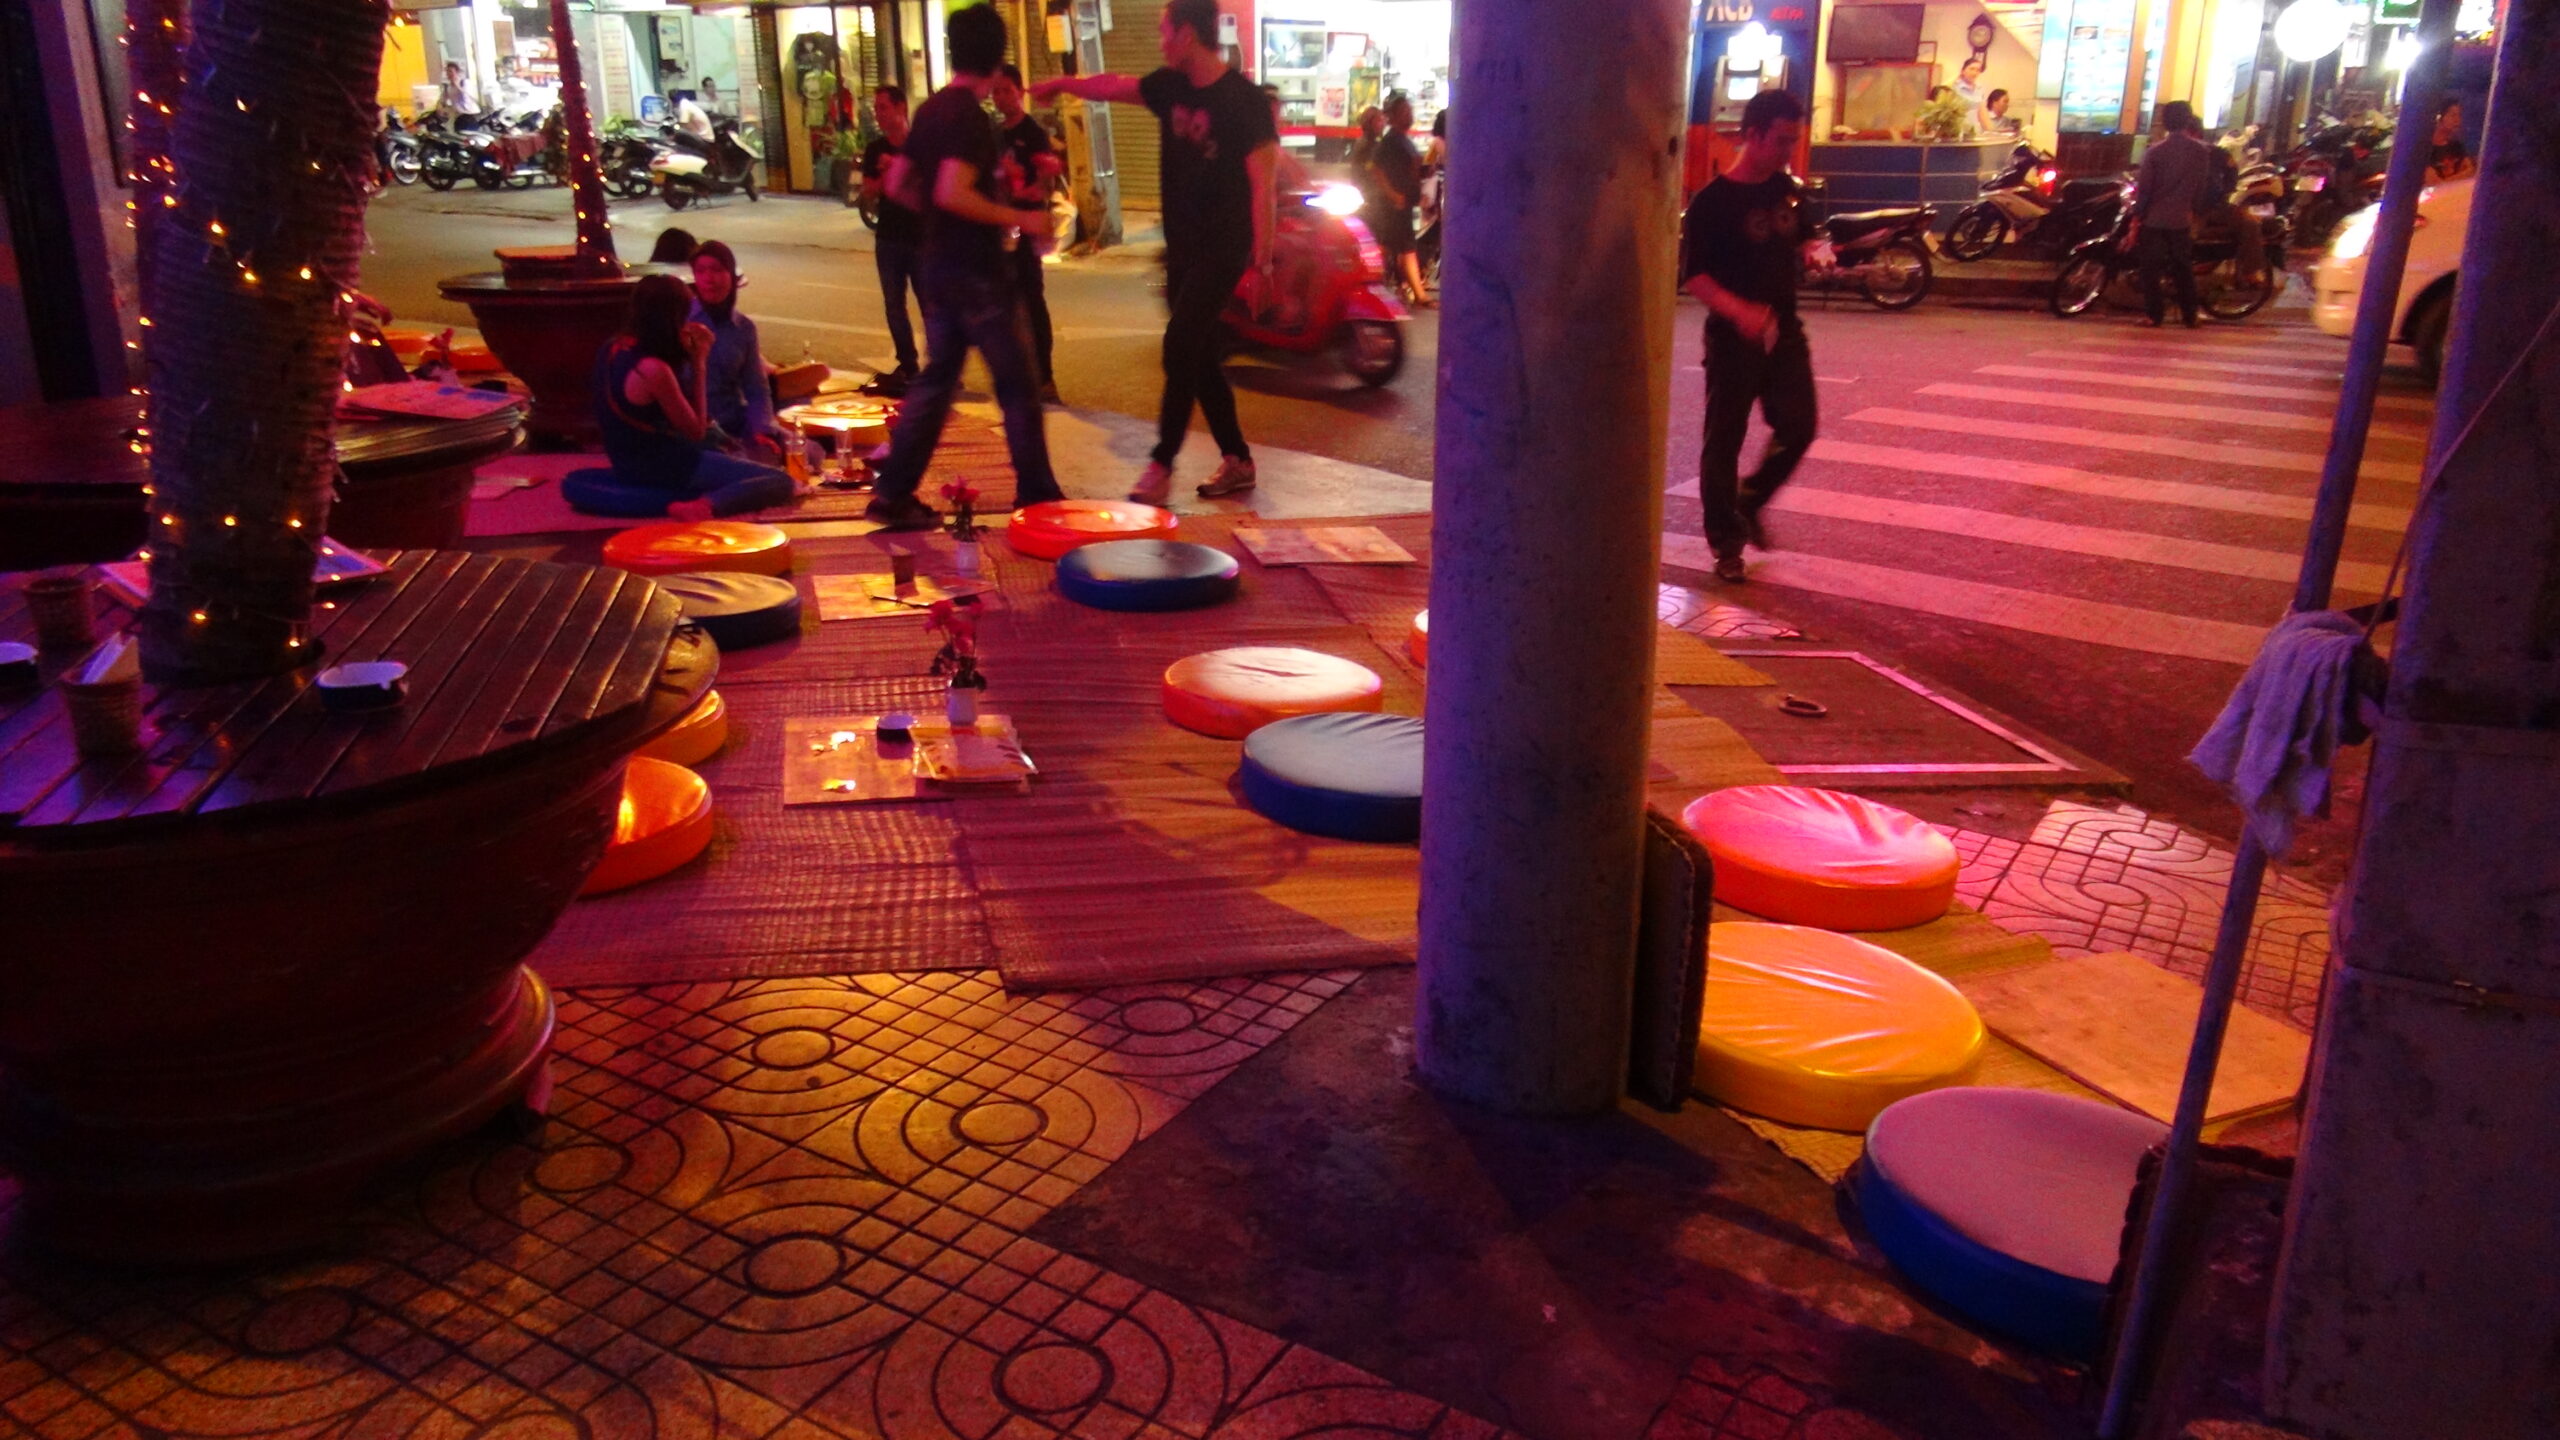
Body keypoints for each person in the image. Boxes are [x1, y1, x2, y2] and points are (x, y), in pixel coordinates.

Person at [1036, 0, 1279, 503]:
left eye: (1165, 31)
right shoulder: (1171, 87)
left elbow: (1264, 188)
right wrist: (1064, 84)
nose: (1160, 40)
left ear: (1187, 34)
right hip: (1182, 250)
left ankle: (1161, 464)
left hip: (1223, 248)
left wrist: (1263, 263)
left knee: (1179, 346)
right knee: (1199, 354)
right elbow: (1115, 85)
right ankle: (1238, 459)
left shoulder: (1245, 101)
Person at [860, 4, 1063, 531]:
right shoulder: (970, 118)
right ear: (997, 59)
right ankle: (1039, 497)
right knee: (1017, 386)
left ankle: (894, 492)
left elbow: (898, 185)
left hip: (939, 267)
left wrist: (937, 217)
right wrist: (1020, 217)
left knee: (936, 382)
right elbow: (953, 191)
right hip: (978, 273)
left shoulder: (931, 110)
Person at [1680, 87, 1814, 585]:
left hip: (1785, 332)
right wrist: (1739, 312)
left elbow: (1806, 236)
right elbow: (1695, 277)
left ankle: (1749, 500)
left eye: (1793, 140)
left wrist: (1818, 252)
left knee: (1800, 426)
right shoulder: (1711, 203)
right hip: (1733, 340)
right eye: (1781, 140)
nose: (1788, 150)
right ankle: (1726, 541)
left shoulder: (1787, 189)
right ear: (1753, 135)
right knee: (1724, 440)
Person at [594, 274, 795, 522]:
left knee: (741, 455)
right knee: (779, 480)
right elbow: (696, 431)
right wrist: (700, 361)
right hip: (664, 465)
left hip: (625, 460)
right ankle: (705, 505)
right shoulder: (653, 369)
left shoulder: (612, 347)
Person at [992, 63, 1064, 404]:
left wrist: (1027, 187)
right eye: (996, 91)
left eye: (1007, 90)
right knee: (1004, 304)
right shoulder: (994, 135)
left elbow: (1046, 184)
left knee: (1033, 301)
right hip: (1000, 227)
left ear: (1020, 92)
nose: (1001, 97)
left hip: (1027, 227)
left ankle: (1045, 378)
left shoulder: (1033, 132)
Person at [686, 241, 785, 455]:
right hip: (698, 429)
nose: (709, 279)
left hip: (735, 421)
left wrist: (762, 429)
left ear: (731, 275)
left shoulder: (744, 327)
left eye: (717, 270)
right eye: (701, 271)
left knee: (803, 448)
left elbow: (756, 387)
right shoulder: (682, 321)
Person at [858, 85, 923, 396]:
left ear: (901, 108)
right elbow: (869, 191)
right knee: (894, 305)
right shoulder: (876, 150)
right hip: (889, 237)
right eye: (877, 109)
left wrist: (898, 168)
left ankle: (942, 367)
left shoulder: (921, 146)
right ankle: (908, 364)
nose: (879, 114)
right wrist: (887, 175)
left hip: (921, 237)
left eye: (884, 107)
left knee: (931, 304)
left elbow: (930, 187)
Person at [2130, 100, 2212, 328]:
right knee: (2182, 268)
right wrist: (2194, 211)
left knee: (2150, 268)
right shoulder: (2200, 152)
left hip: (2155, 219)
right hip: (2182, 218)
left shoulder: (2155, 152)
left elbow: (2145, 190)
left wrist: (2137, 217)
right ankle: (2190, 315)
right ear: (2188, 121)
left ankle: (2154, 315)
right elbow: (2200, 187)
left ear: (2165, 122)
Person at [1369, 92, 1429, 306]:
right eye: (1405, 111)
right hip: (1394, 205)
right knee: (1398, 247)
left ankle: (1404, 290)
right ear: (1393, 117)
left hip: (1403, 203)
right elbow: (1376, 169)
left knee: (1400, 247)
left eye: (1409, 110)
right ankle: (1416, 294)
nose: (1409, 115)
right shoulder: (1391, 141)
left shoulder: (1403, 140)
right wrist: (1394, 195)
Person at [2428, 98, 2473, 179]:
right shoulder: (2425, 150)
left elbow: (2471, 171)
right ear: (2439, 118)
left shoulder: (2457, 146)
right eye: (2453, 115)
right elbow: (2433, 182)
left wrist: (2446, 181)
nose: (2458, 120)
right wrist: (2462, 175)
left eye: (2459, 115)